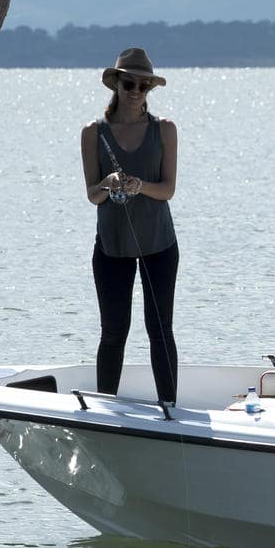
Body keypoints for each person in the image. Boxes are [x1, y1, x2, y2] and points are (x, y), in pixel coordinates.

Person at [80, 47, 179, 402]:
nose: (136, 91)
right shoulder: (93, 132)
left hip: (159, 245)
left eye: (143, 85)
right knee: (113, 332)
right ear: (116, 84)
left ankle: (169, 406)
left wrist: (139, 185)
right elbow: (92, 194)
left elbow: (167, 190)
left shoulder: (164, 129)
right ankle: (105, 407)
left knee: (160, 330)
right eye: (129, 83)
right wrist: (109, 183)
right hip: (111, 246)